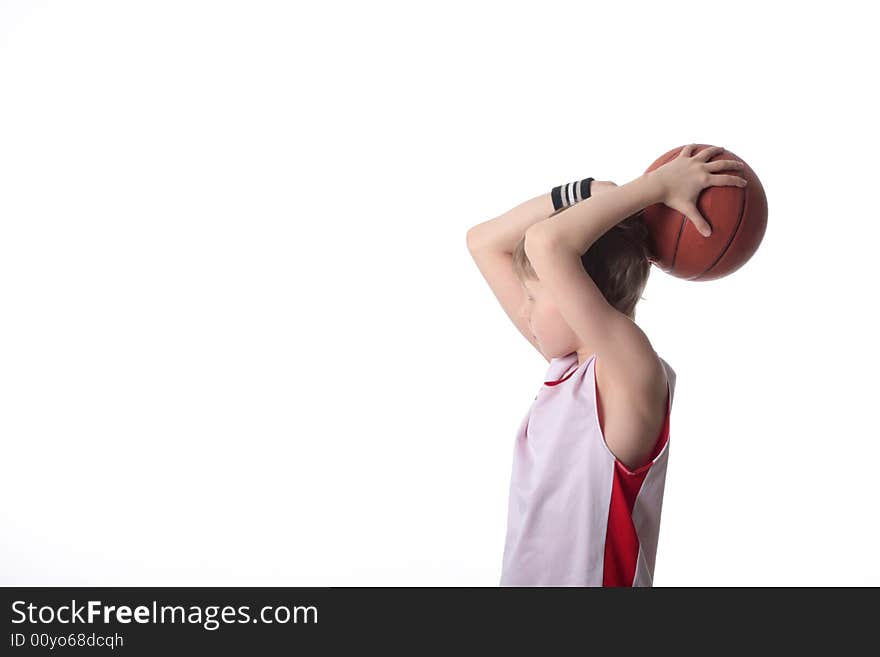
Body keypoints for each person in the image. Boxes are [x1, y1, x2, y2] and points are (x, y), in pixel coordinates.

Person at [465, 145, 748, 586]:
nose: (525, 312)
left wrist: (654, 187)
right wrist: (589, 192)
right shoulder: (565, 371)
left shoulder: (629, 374)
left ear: (577, 291)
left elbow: (545, 244)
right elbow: (481, 241)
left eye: (536, 298)